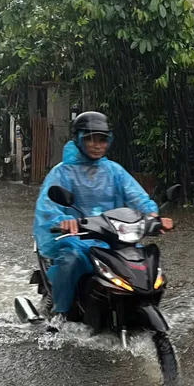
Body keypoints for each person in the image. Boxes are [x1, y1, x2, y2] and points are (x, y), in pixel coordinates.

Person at [33, 111, 172, 319]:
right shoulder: (62, 172)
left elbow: (136, 195)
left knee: (145, 265)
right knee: (70, 262)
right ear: (78, 139)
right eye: (90, 139)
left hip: (112, 237)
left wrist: (152, 215)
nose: (97, 145)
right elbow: (47, 207)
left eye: (102, 139)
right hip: (77, 240)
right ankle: (60, 314)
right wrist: (63, 221)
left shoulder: (114, 170)